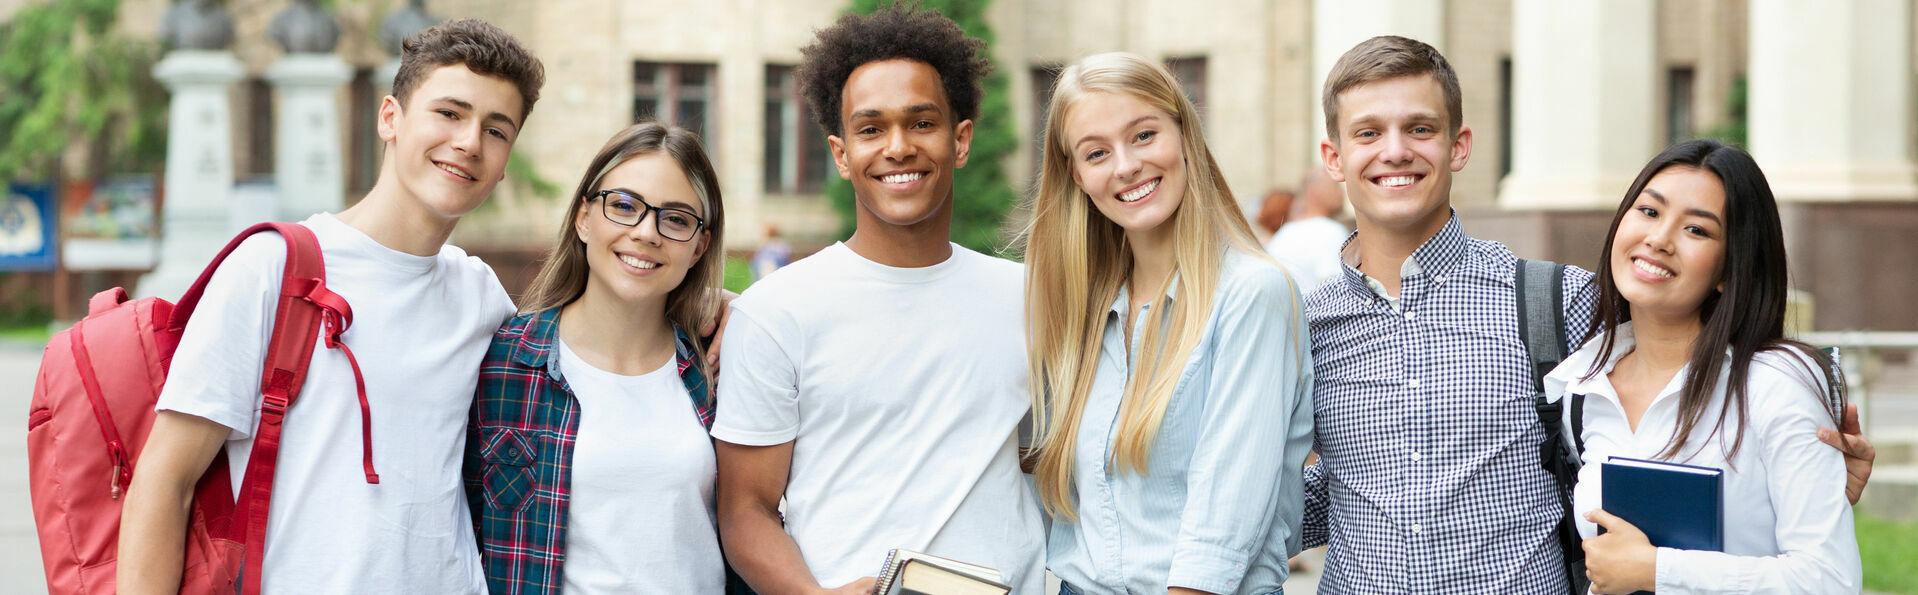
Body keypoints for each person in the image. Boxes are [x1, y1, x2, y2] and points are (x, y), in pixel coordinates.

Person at [1299, 35, 1876, 594]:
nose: (1395, 150)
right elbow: (1328, 492)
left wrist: (1805, 475)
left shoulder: (1559, 303)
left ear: (1459, 145)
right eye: (1368, 132)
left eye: (1420, 128)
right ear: (1334, 157)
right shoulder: (1305, 326)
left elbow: (1698, 381)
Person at [118, 19, 543, 593]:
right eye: (449, 113)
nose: (469, 141)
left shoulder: (481, 296)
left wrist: (701, 319)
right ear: (389, 117)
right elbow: (165, 479)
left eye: (497, 130)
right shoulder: (274, 267)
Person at [711, 4, 1046, 594]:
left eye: (922, 123)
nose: (898, 147)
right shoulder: (777, 309)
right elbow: (746, 511)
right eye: (871, 128)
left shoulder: (1028, 297)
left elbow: (1043, 462)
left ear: (960, 139)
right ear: (842, 154)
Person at [1021, 52, 1314, 595]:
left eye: (1143, 135)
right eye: (1096, 152)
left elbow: (1223, 524)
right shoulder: (1081, 312)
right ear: (1076, 175)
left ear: (1184, 134)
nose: (1126, 165)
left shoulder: (1250, 294)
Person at [1548, 139, 1861, 594]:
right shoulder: (1581, 386)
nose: (1658, 239)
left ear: (1728, 270)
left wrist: (1658, 570)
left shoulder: (1775, 384)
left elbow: (1829, 580)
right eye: (1649, 212)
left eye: (1696, 230)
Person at [466, 122, 733, 593]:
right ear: (585, 217)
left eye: (675, 219)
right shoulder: (503, 362)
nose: (646, 232)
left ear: (699, 246)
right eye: (625, 206)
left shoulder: (720, 367)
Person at [1265, 168, 1347, 290]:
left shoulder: (1283, 233)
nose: (1342, 192)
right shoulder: (1330, 232)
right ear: (1314, 191)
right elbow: (1336, 289)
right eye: (1335, 186)